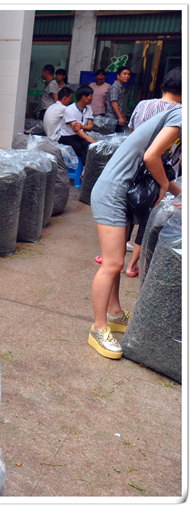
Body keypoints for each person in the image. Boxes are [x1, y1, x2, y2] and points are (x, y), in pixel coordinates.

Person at [88, 106, 181, 359]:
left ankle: (115, 313)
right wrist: (165, 186)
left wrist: (180, 193)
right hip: (112, 193)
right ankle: (98, 328)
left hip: (125, 192)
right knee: (113, 263)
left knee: (116, 261)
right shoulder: (182, 115)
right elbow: (152, 157)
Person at [123, 67, 182, 278]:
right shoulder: (181, 113)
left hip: (132, 171)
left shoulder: (143, 105)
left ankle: (113, 255)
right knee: (148, 221)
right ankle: (131, 266)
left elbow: (131, 137)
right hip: (159, 175)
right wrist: (167, 184)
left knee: (127, 213)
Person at [57, 85, 95, 164]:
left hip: (79, 136)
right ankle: (84, 170)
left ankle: (85, 169)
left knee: (88, 146)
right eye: (90, 96)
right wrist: (92, 140)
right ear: (84, 98)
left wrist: (82, 126)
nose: (92, 98)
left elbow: (90, 127)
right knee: (81, 149)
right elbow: (77, 130)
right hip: (67, 137)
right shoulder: (70, 109)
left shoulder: (89, 109)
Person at [105, 66, 130, 132]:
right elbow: (114, 103)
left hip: (117, 118)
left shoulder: (121, 87)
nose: (127, 76)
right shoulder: (115, 88)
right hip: (113, 119)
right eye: (124, 74)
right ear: (118, 76)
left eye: (128, 74)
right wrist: (120, 117)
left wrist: (122, 114)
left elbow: (119, 103)